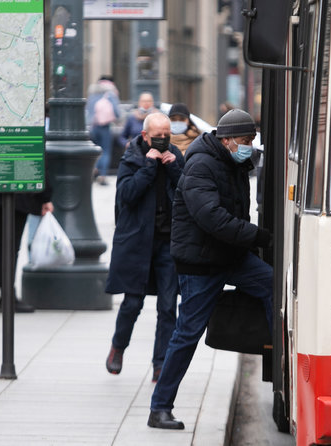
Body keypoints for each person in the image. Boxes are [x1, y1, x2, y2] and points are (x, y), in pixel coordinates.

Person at [148, 109, 272, 429]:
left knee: (273, 285)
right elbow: (212, 218)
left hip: (229, 255)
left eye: (252, 141)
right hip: (201, 262)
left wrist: (251, 241)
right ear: (227, 140)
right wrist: (257, 237)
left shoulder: (234, 162)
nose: (249, 146)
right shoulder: (202, 164)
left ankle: (279, 359)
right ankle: (159, 408)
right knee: (187, 333)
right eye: (245, 141)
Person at [105, 112, 185, 383]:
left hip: (167, 244)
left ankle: (160, 365)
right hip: (138, 244)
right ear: (145, 136)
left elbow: (188, 192)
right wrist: (149, 167)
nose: (162, 141)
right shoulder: (132, 158)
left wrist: (174, 168)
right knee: (132, 303)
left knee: (167, 307)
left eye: (166, 136)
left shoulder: (175, 156)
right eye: (157, 136)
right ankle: (118, 347)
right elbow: (126, 196)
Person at [0, 187, 53, 313]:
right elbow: (38, 167)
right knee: (10, 247)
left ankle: (0, 294)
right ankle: (8, 295)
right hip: (17, 197)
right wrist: (45, 197)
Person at [86, 75, 121, 185]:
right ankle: (102, 175)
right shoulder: (111, 94)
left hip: (93, 127)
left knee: (95, 151)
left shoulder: (92, 94)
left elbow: (88, 112)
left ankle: (95, 168)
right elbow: (117, 112)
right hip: (105, 127)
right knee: (105, 151)